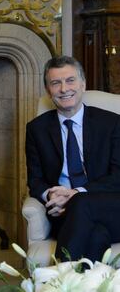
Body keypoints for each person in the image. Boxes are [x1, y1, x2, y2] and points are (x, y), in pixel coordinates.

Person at [25, 55, 120, 262]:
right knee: (96, 237)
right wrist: (51, 195)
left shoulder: (111, 122)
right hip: (64, 213)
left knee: (81, 201)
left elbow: (118, 176)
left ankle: (57, 278)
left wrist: (75, 193)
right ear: (48, 91)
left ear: (83, 84)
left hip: (111, 207)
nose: (64, 89)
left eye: (70, 80)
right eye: (55, 83)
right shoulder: (36, 129)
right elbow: (35, 180)